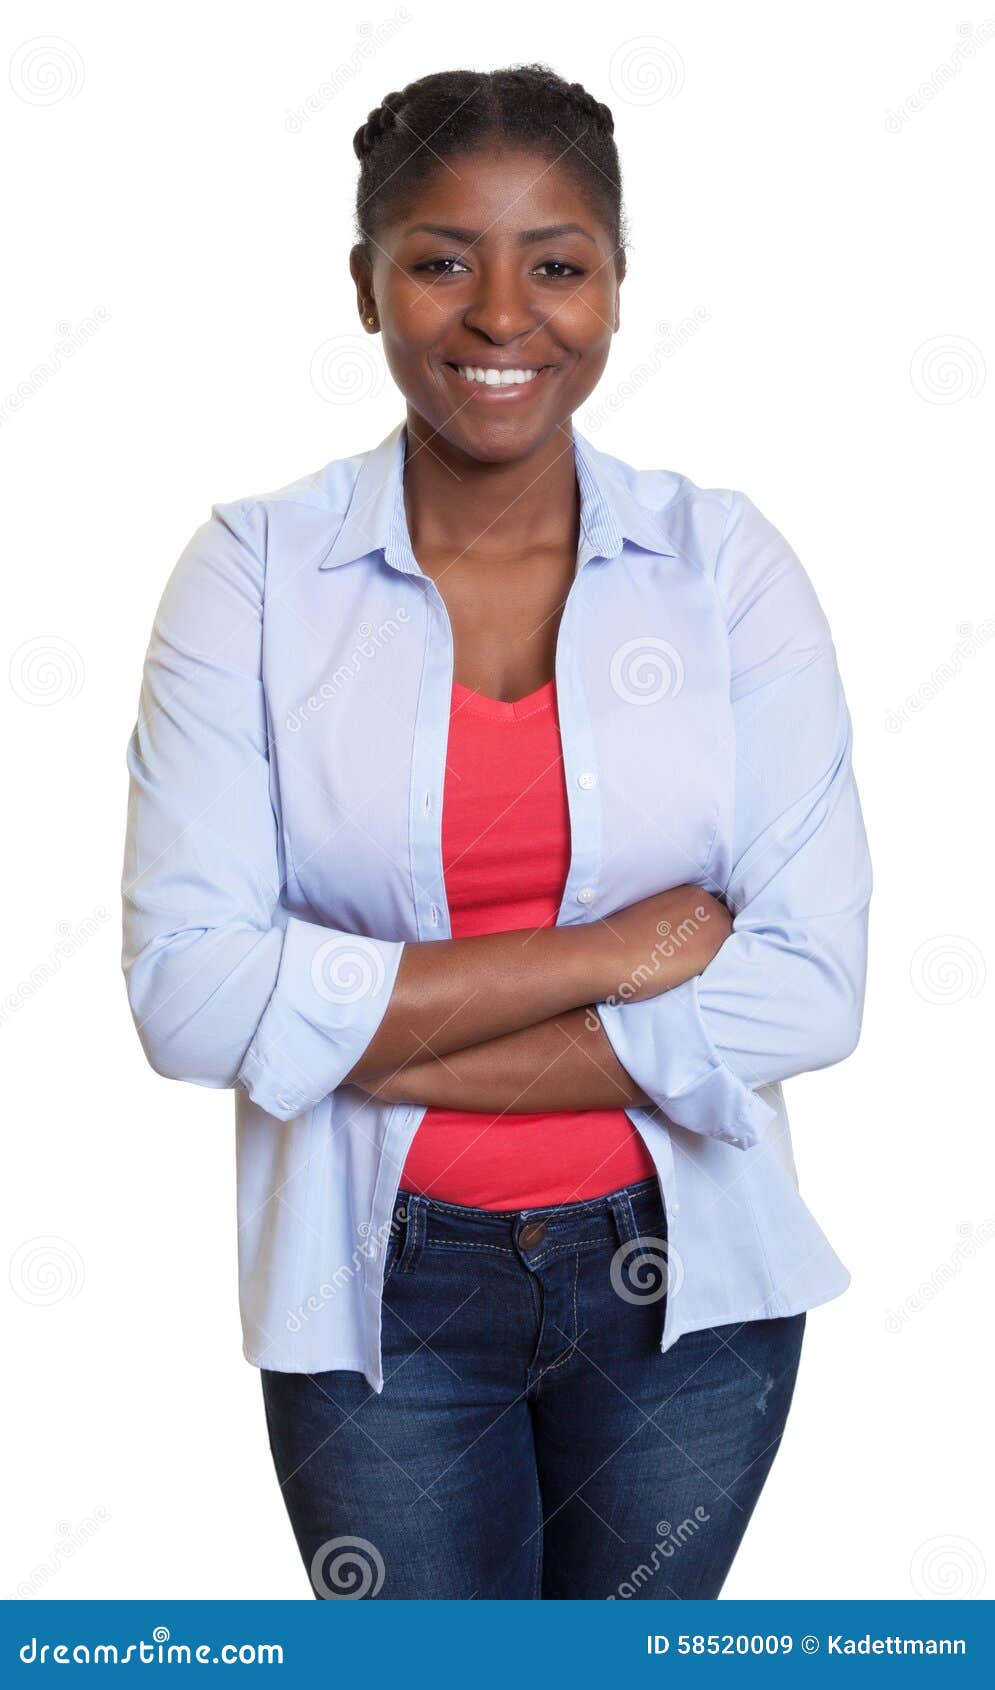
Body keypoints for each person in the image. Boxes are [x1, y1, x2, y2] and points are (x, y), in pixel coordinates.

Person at [121, 63, 872, 1600]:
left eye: (558, 264)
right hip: (377, 1291)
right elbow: (189, 995)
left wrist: (347, 1026)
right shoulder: (253, 576)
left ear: (614, 287)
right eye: (442, 259)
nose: (502, 315)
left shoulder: (725, 571)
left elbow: (809, 986)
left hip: (687, 1290)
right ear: (366, 284)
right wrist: (609, 956)